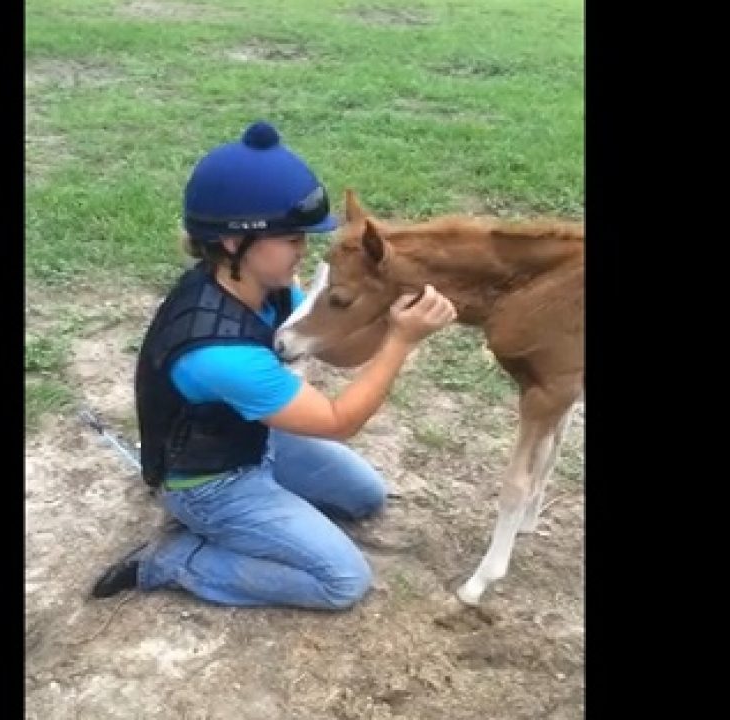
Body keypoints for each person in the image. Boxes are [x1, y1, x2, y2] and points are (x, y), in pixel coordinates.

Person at [90, 120, 456, 610]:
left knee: (366, 497)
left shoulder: (265, 289)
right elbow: (337, 421)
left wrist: (387, 319)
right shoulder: (221, 352)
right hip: (211, 483)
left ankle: (265, 514)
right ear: (232, 243)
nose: (303, 249)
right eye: (290, 238)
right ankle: (174, 558)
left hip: (256, 436)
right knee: (342, 581)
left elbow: (333, 350)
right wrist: (402, 343)